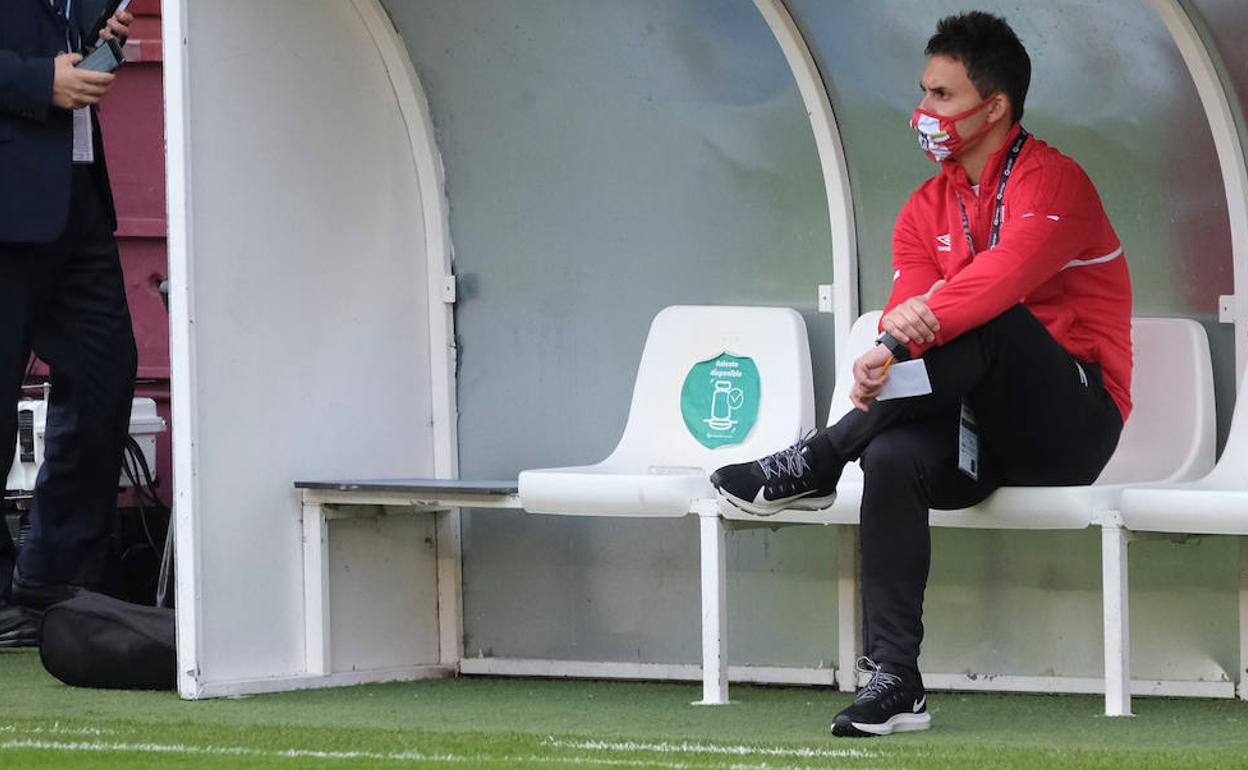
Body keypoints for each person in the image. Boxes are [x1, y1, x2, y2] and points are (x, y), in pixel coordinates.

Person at [711, 11, 1131, 737]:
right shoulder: (921, 210)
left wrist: (901, 341)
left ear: (993, 108)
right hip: (976, 430)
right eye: (923, 91)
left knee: (992, 317)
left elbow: (996, 284)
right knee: (892, 455)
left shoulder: (1054, 182)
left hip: (1071, 427)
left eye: (941, 95)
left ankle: (820, 455)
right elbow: (909, 323)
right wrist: (883, 361)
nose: (923, 111)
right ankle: (895, 680)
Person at [0, 0, 137, 646]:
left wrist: (98, 42)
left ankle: (56, 579)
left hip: (77, 196)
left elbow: (66, 47)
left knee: (105, 375)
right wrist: (38, 81)